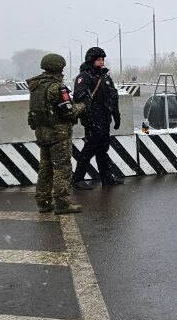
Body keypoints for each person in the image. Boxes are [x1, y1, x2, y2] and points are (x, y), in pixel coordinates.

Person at [26, 53, 84, 214]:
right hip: (58, 134)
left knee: (45, 168)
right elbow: (69, 112)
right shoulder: (57, 87)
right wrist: (82, 106)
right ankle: (62, 203)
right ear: (60, 67)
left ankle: (43, 202)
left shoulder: (36, 86)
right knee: (62, 168)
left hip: (42, 132)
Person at [72, 46, 123, 189]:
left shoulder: (105, 77)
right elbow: (78, 97)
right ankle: (77, 179)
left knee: (102, 149)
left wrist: (116, 116)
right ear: (91, 60)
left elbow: (113, 98)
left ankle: (107, 178)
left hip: (105, 118)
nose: (102, 62)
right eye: (99, 60)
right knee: (90, 148)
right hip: (92, 119)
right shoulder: (84, 77)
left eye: (103, 59)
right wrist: (90, 113)